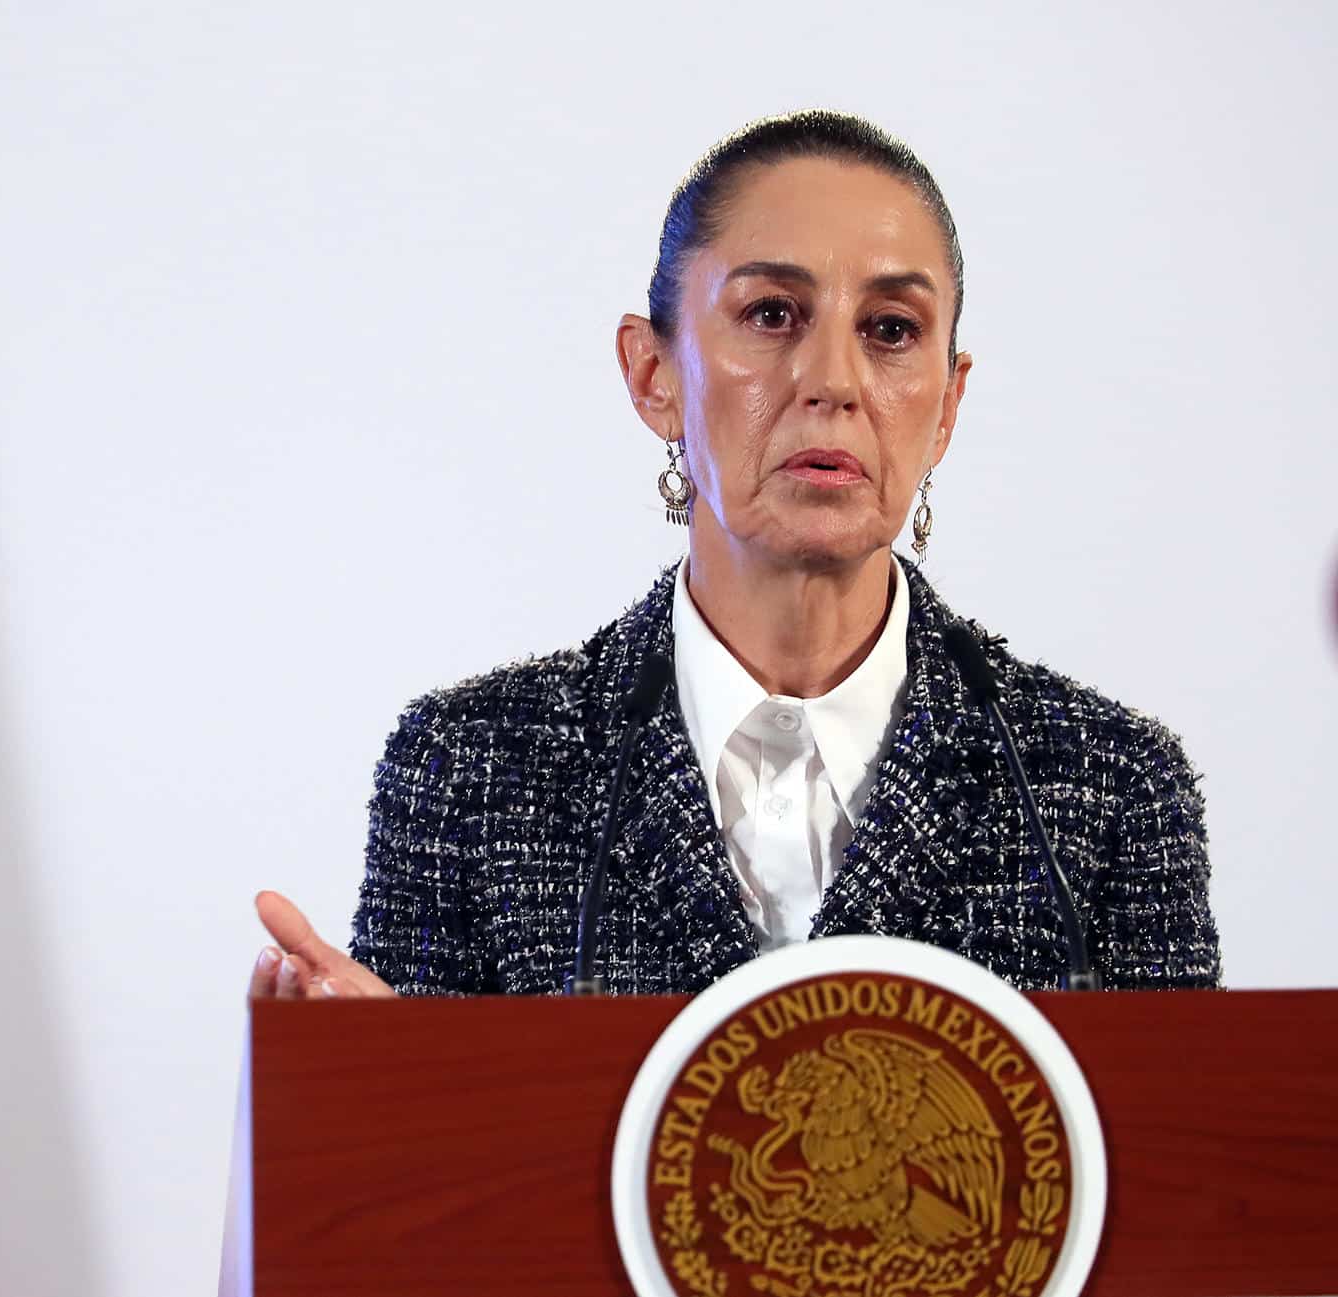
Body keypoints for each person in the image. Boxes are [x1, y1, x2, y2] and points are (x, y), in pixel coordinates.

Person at [247, 110, 1221, 1002]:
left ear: (950, 403)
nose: (832, 380)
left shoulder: (1109, 790)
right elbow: (415, 1172)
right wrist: (360, 1096)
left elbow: (1180, 1178)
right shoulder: (472, 767)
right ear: (653, 373)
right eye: (771, 314)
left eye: (890, 330)